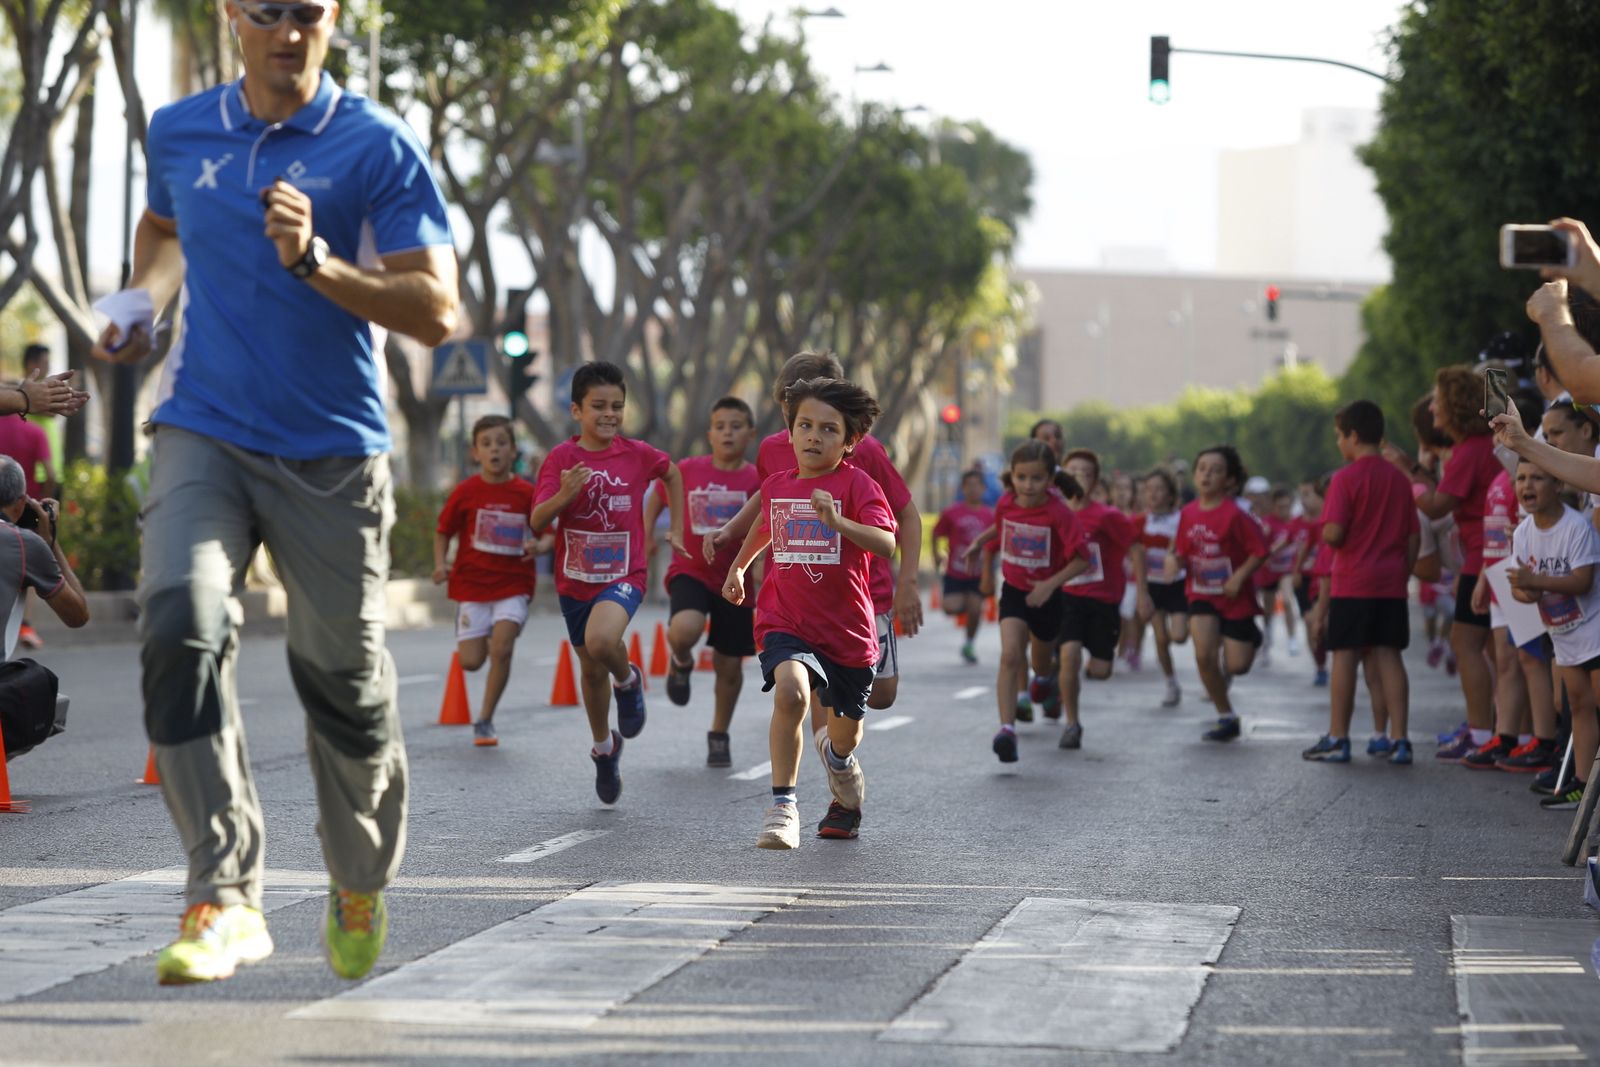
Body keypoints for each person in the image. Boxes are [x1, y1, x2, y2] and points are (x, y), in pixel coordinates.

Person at [89, 0, 459, 987]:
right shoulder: (181, 130)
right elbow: (165, 225)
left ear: (331, 20)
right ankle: (223, 888)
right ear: (231, 16)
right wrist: (137, 303)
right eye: (268, 10)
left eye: (308, 10)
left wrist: (319, 264)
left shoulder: (374, 142)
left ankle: (357, 877)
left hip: (333, 448)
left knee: (342, 679)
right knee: (178, 617)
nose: (287, 29)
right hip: (203, 423)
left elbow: (437, 307)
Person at [722, 377, 896, 849]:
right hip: (786, 620)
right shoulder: (779, 484)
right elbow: (765, 525)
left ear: (850, 441)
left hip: (847, 634)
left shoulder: (858, 484)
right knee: (792, 696)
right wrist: (740, 567)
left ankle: (840, 765)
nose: (814, 437)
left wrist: (839, 522)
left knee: (843, 738)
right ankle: (783, 807)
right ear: (791, 431)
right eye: (804, 426)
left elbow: (887, 542)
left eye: (827, 429)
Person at [709, 351, 922, 715]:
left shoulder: (864, 451)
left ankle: (837, 744)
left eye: (824, 423)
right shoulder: (774, 447)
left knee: (881, 696)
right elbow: (771, 498)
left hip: (863, 592)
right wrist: (733, 537)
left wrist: (908, 583)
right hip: (798, 597)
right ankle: (826, 751)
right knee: (804, 683)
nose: (807, 433)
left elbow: (906, 514)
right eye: (794, 415)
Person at [531, 361, 685, 806]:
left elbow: (671, 473)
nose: (609, 414)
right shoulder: (561, 459)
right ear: (577, 410)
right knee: (590, 669)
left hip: (625, 572)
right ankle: (604, 747)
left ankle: (629, 678)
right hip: (574, 579)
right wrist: (564, 496)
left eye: (617, 406)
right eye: (598, 406)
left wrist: (673, 525)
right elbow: (538, 519)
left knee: (602, 643)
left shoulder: (636, 453)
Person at [1387, 367, 1500, 762]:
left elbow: (1435, 505)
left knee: (1466, 643)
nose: (1433, 408)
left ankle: (1483, 732)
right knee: (1490, 647)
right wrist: (1416, 468)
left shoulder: (1471, 450)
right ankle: (1496, 730)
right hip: (1483, 554)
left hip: (1485, 556)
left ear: (1454, 406)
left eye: (1438, 400)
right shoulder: (1478, 447)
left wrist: (1407, 474)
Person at [642, 396, 760, 768]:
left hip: (737, 578)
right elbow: (657, 496)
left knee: (728, 665)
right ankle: (680, 659)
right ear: (710, 433)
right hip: (691, 569)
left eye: (736, 426)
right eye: (721, 426)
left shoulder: (758, 479)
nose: (728, 433)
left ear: (750, 433)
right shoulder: (689, 470)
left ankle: (719, 733)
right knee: (685, 628)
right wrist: (646, 535)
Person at [1300, 401, 1419, 765]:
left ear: (1353, 435)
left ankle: (1339, 737)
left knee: (1345, 658)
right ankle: (1399, 740)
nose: (1339, 443)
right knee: (1389, 657)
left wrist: (1330, 532)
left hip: (1352, 581)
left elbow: (1334, 533)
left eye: (1339, 436)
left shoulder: (1344, 479)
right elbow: (1413, 537)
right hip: (1390, 581)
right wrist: (1403, 570)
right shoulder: (1400, 479)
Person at [962, 440, 1090, 764]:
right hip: (1016, 592)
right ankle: (1006, 730)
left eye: (1035, 479)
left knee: (1040, 663)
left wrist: (1049, 584)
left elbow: (1081, 559)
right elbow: (1001, 525)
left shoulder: (1058, 511)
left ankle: (1044, 680)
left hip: (1047, 595)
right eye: (1021, 477)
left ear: (1050, 480)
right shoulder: (1007, 502)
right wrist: (979, 542)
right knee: (1009, 655)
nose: (1027, 485)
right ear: (1012, 477)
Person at [432, 415, 545, 748]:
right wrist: (440, 565)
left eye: (501, 442)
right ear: (475, 453)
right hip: (473, 586)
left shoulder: (527, 492)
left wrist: (540, 545)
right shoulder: (465, 491)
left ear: (513, 450)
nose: (494, 449)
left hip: (514, 584)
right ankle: (483, 707)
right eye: (487, 443)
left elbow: (549, 533)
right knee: (471, 661)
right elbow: (443, 531)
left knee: (502, 648)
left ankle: (485, 719)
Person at [1506, 458, 1600, 812]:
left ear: (1558, 485)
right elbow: (1520, 587)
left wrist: (1536, 582)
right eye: (1521, 478)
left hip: (1594, 626)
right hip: (1563, 631)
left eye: (1538, 479)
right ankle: (1582, 784)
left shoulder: (1575, 527)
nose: (1527, 486)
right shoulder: (1523, 533)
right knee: (1577, 705)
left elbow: (1582, 580)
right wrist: (1526, 591)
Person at [1163, 445, 1267, 742]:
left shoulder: (1237, 515)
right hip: (1201, 593)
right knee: (1204, 655)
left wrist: (1239, 577)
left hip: (1235, 597)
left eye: (1216, 470)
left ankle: (1251, 637)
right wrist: (1174, 561)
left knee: (1237, 665)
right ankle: (1226, 716)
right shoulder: (1187, 513)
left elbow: (1260, 551)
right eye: (1202, 468)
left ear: (1230, 480)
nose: (1207, 474)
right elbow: (1181, 550)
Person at [1056, 449, 1135, 750]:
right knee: (1069, 656)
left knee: (1101, 671)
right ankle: (1072, 723)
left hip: (1103, 601)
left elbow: (1135, 547)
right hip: (1068, 598)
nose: (1078, 478)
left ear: (1095, 481)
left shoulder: (1108, 516)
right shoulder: (1053, 512)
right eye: (1072, 471)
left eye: (1085, 473)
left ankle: (1086, 670)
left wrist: (1143, 596)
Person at [0, 345, 73, 650]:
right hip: (20, 506)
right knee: (26, 565)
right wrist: (44, 505)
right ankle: (25, 625)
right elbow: (78, 614)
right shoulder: (37, 430)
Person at [1133, 466, 1188, 708]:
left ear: (1169, 493)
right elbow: (1134, 555)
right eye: (1148, 490)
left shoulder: (1182, 519)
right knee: (1161, 637)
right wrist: (1141, 592)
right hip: (1153, 585)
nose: (1153, 495)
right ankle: (1171, 682)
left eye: (1158, 489)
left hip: (1177, 584)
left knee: (1179, 635)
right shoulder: (1139, 522)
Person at [931, 469, 995, 665]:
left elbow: (995, 545)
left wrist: (990, 572)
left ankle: (969, 643)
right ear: (963, 488)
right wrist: (937, 555)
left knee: (976, 609)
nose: (973, 489)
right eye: (969, 485)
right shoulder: (952, 512)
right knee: (951, 608)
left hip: (978, 572)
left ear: (984, 489)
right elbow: (936, 533)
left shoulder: (989, 515)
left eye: (977, 485)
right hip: (955, 571)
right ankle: (966, 602)